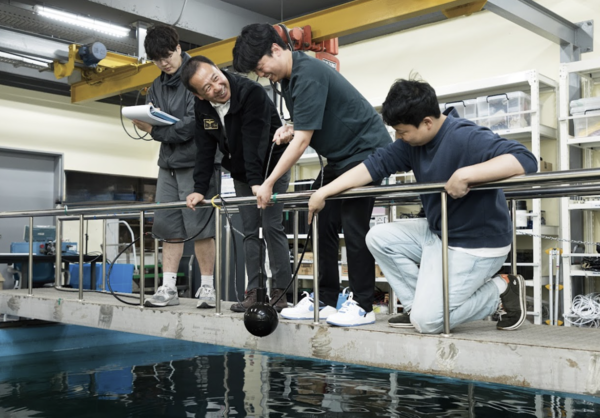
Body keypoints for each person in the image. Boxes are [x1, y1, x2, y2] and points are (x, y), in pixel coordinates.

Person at [308, 77, 538, 334]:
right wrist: (324, 192)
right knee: (377, 237)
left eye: (403, 131)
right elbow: (373, 166)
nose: (398, 137)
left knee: (428, 322)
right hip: (441, 233)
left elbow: (525, 159)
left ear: (427, 122)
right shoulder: (411, 144)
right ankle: (416, 307)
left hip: (477, 246)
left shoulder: (465, 136)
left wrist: (467, 174)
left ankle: (502, 290)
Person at [232, 23, 392, 327]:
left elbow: (303, 141)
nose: (261, 74)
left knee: (354, 225)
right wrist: (291, 126)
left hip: (366, 151)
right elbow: (310, 122)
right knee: (320, 220)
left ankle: (363, 304)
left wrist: (267, 183)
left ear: (276, 50)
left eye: (260, 66)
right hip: (340, 156)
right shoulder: (289, 79)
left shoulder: (309, 73)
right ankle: (326, 298)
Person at [180, 55, 291, 313]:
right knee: (250, 230)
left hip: (273, 166)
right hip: (242, 172)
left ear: (219, 69)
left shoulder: (250, 92)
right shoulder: (203, 109)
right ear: (199, 96)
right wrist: (198, 189)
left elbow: (255, 141)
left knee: (271, 226)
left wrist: (258, 183)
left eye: (215, 78)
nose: (217, 88)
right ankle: (254, 291)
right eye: (207, 88)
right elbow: (205, 149)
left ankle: (281, 292)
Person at [131, 25, 219, 309]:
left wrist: (154, 131)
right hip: (167, 164)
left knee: (201, 228)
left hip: (196, 164)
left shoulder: (198, 75)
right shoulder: (156, 85)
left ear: (179, 47)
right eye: (157, 60)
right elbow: (160, 122)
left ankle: (207, 288)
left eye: (167, 55)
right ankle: (168, 287)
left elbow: (192, 126)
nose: (164, 63)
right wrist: (147, 123)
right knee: (169, 227)